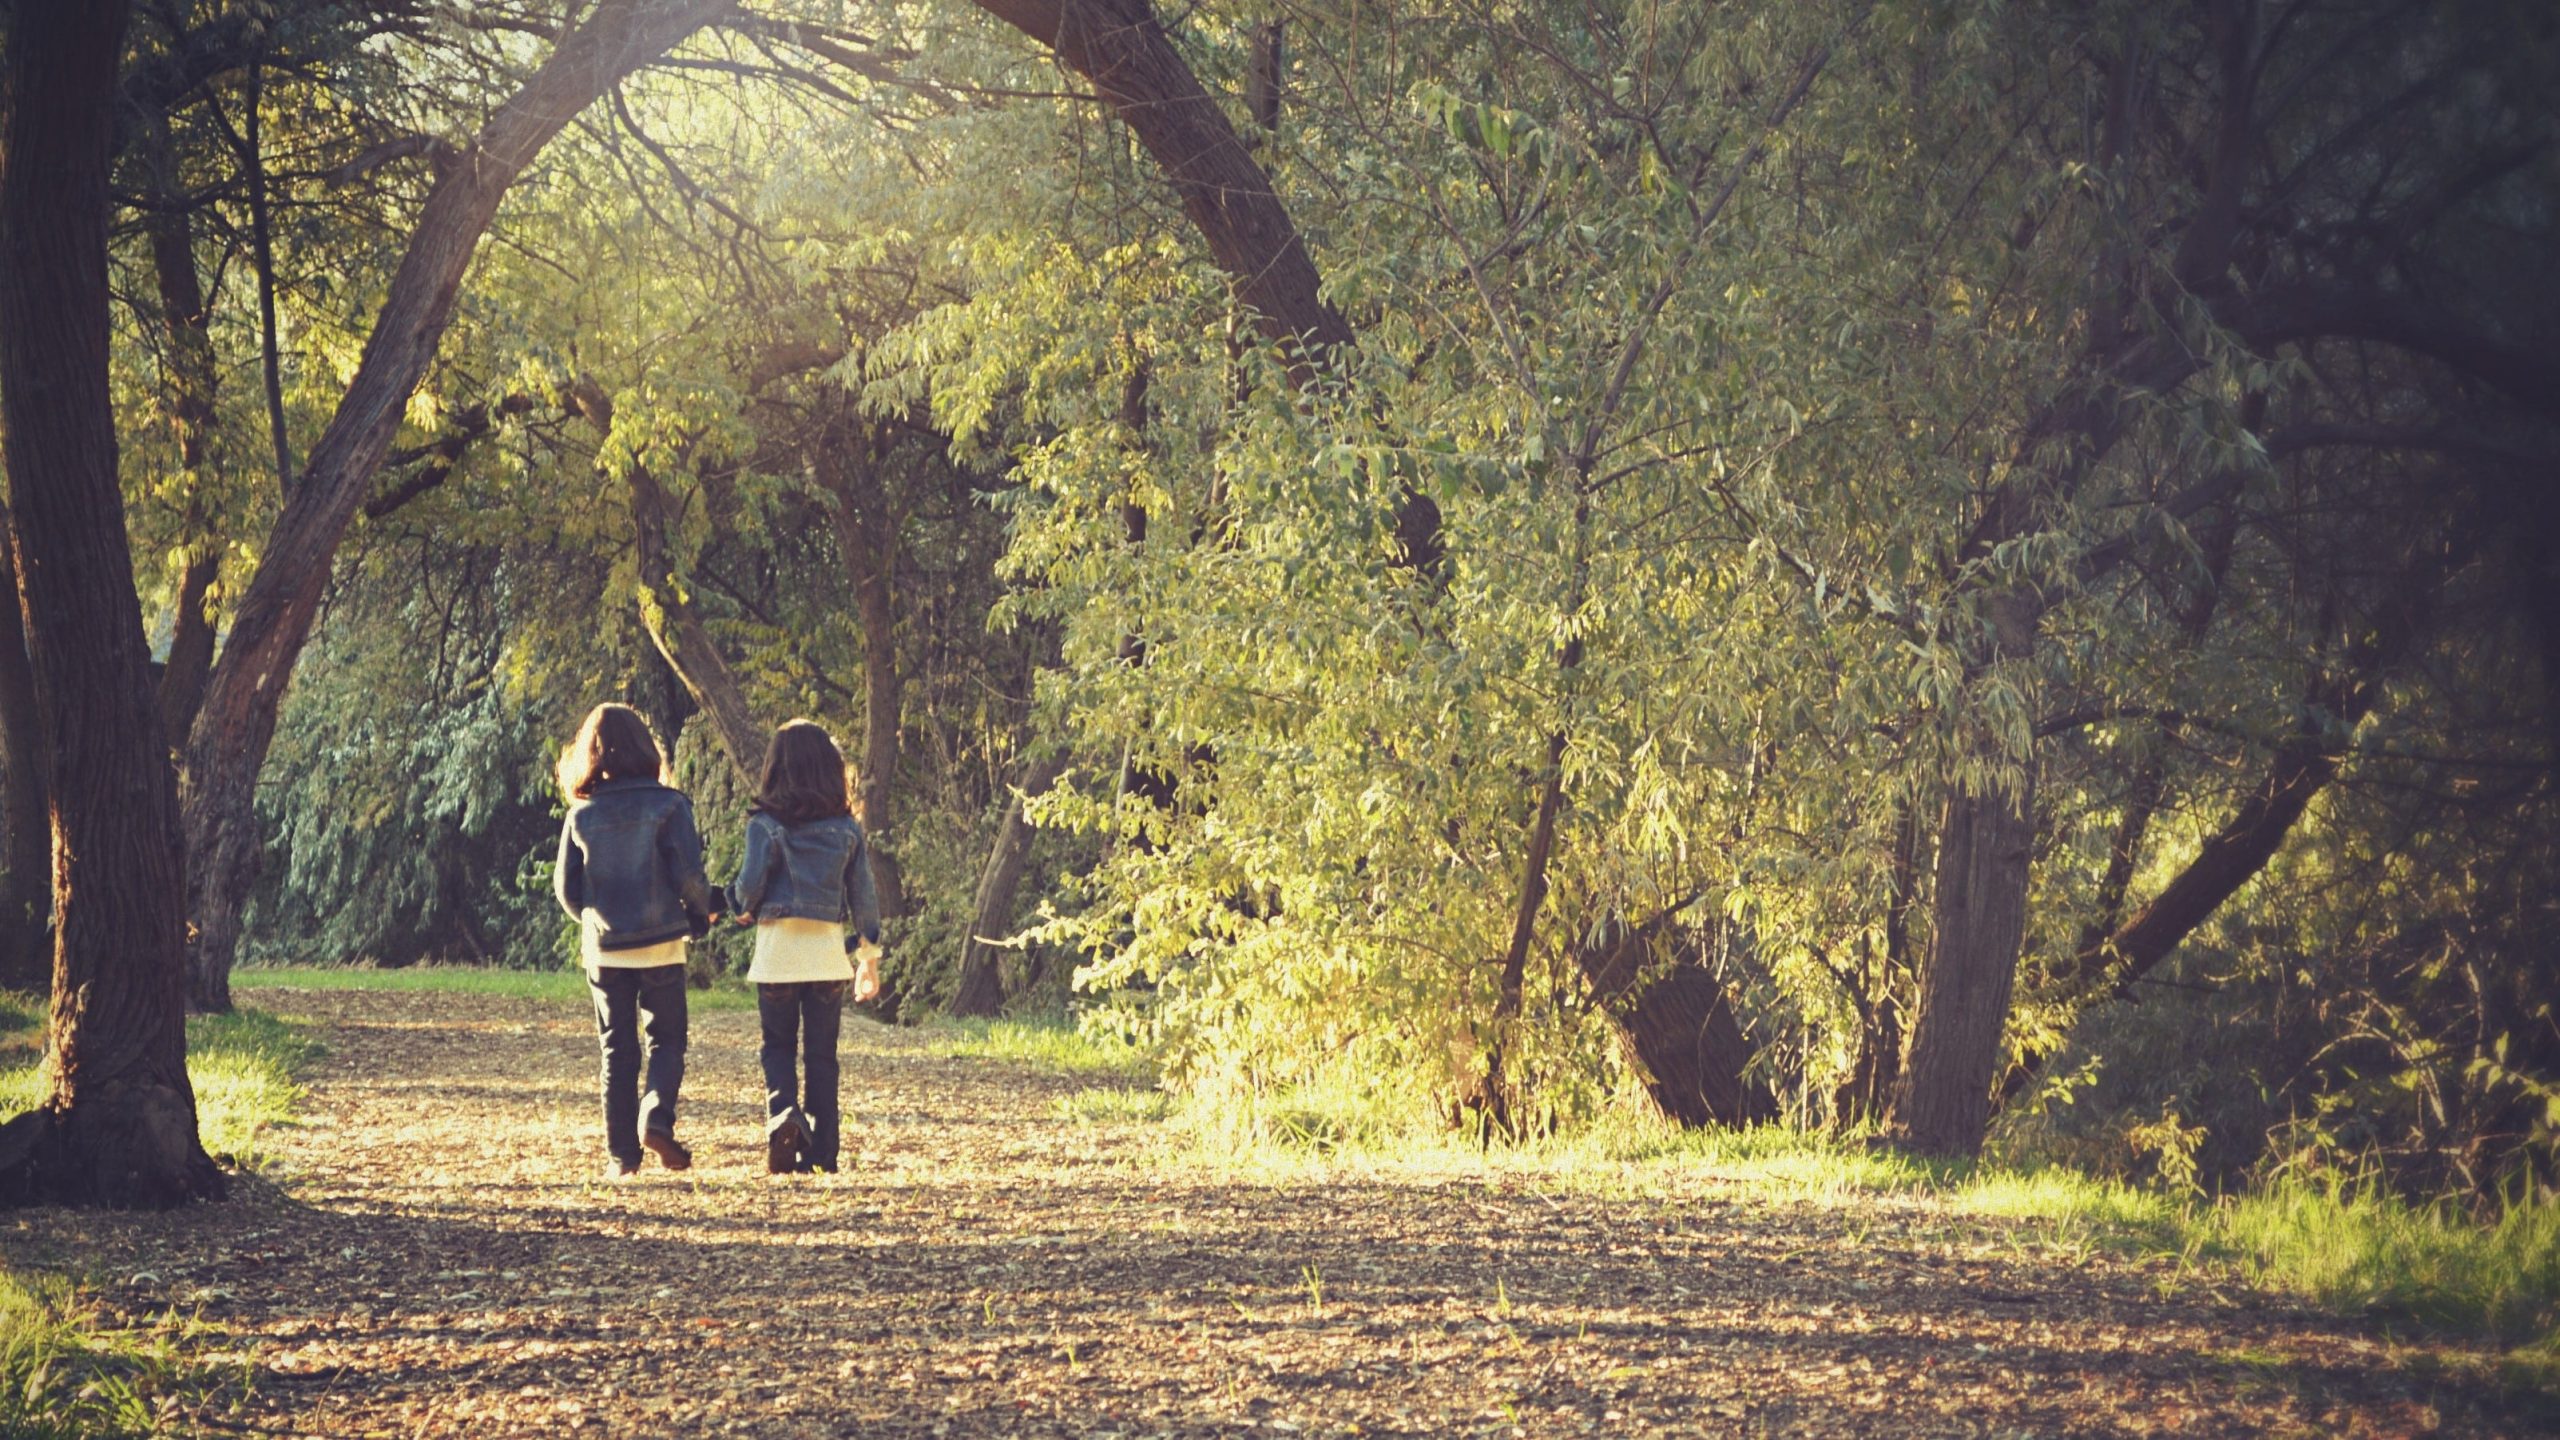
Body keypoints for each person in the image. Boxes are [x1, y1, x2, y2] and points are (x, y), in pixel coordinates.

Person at [553, 702, 717, 1180]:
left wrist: (596, 918)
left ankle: (622, 1158)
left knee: (617, 1050)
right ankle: (656, 1117)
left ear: (590, 754)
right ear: (647, 747)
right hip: (662, 942)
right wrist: (700, 915)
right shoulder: (670, 805)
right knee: (667, 1039)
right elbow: (689, 877)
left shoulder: (580, 815)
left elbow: (567, 891)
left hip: (605, 948)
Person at [730, 719, 883, 1175]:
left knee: (777, 1046)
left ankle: (783, 1115)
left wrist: (739, 906)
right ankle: (823, 1153)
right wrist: (867, 961)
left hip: (777, 955)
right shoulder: (846, 830)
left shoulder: (764, 825)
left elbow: (749, 887)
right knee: (821, 1056)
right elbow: (865, 901)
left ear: (777, 770)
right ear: (830, 771)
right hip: (826, 958)